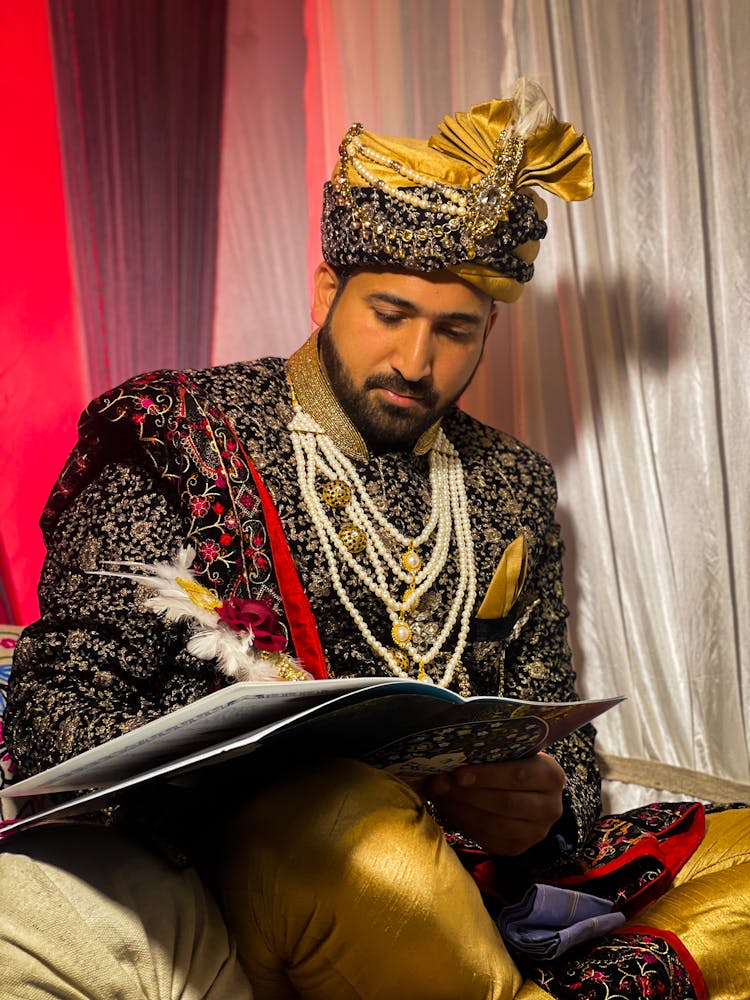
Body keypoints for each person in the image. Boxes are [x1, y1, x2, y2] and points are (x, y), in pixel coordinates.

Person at [1, 80, 748, 1000]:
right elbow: (51, 717)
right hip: (270, 864)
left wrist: (545, 807)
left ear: (488, 334)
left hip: (468, 878)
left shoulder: (511, 481)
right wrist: (257, 777)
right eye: (388, 315)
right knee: (351, 824)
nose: (414, 362)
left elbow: (555, 729)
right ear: (326, 288)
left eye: (455, 331)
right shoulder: (171, 430)